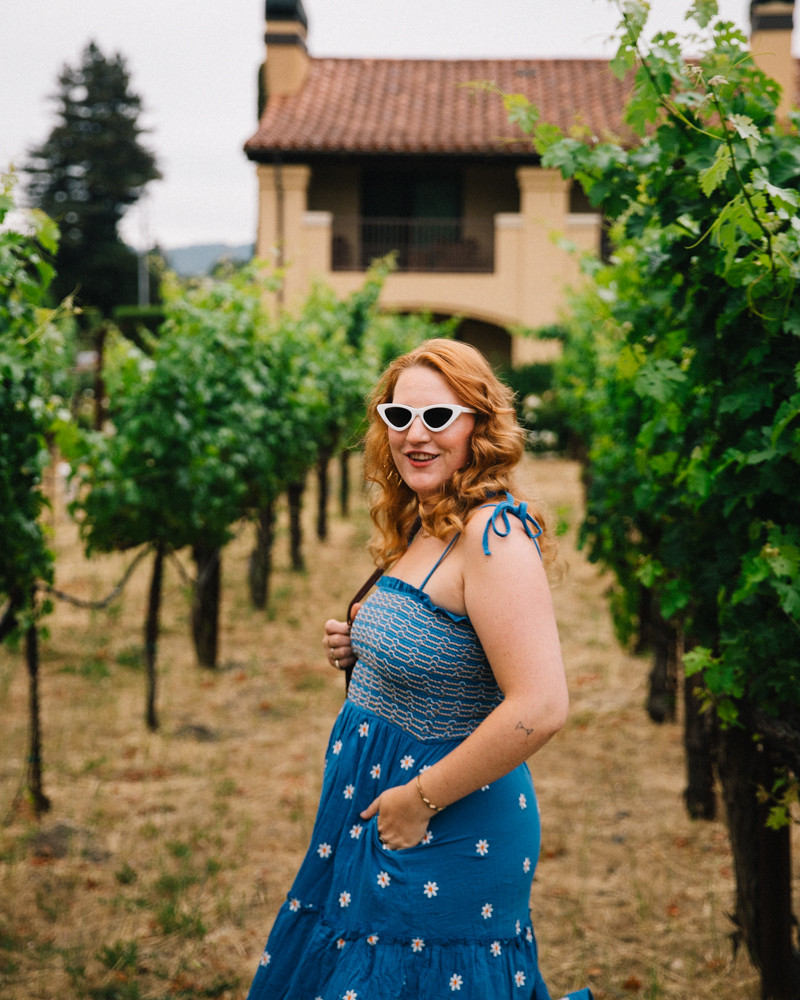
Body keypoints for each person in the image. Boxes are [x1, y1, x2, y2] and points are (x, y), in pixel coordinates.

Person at [246, 339, 593, 1000]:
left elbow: (541, 704)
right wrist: (363, 650)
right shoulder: (429, 519)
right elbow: (444, 644)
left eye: (438, 417)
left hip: (443, 823)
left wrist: (420, 798)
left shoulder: (494, 536)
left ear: (478, 424)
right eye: (398, 416)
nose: (415, 435)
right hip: (381, 810)